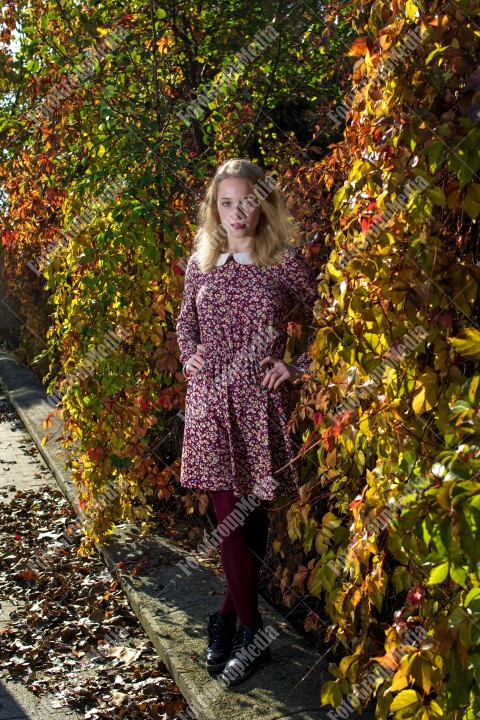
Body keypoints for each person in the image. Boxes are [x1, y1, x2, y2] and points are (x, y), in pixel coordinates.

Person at [175, 158, 319, 685]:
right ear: (215, 206)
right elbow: (184, 322)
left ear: (264, 204)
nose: (237, 212)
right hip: (211, 405)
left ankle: (226, 616)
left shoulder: (283, 261)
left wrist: (296, 365)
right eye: (227, 201)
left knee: (252, 516)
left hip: (260, 405)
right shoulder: (201, 263)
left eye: (248, 200)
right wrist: (189, 353)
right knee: (229, 516)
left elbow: (327, 319)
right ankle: (252, 631)